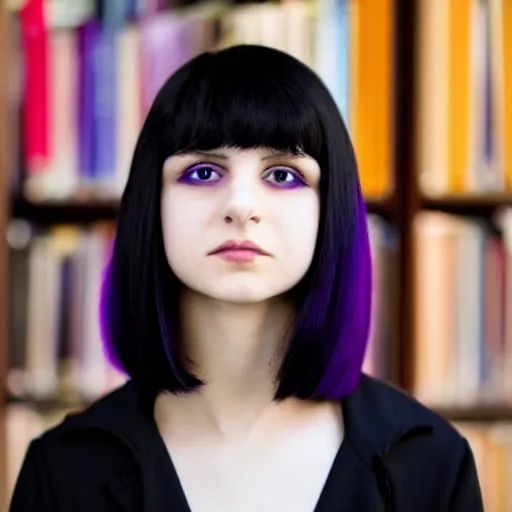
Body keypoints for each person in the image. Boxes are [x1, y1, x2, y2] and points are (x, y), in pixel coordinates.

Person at [10, 44, 483, 512]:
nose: (241, 206)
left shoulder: (431, 464)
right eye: (201, 172)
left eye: (282, 176)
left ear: (330, 210)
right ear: (150, 205)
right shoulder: (63, 472)